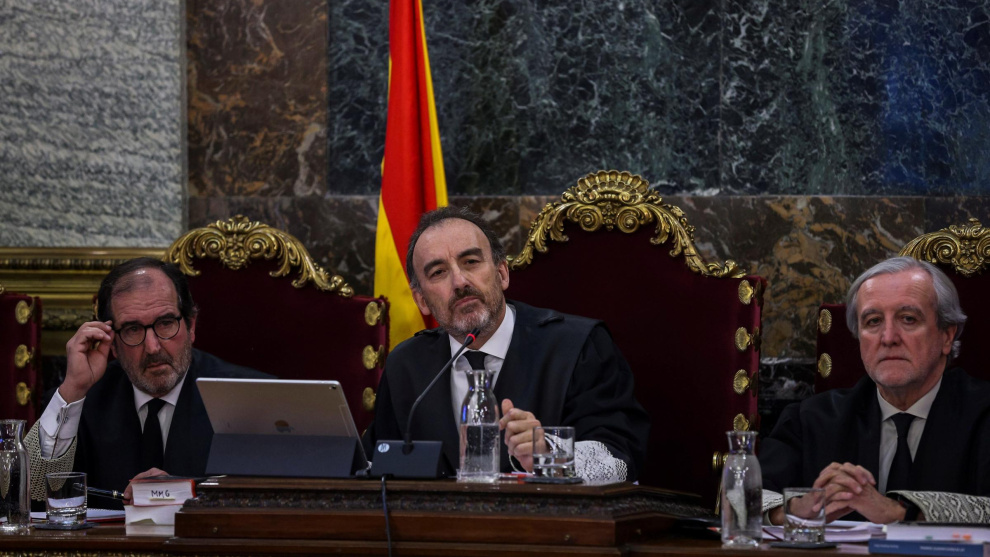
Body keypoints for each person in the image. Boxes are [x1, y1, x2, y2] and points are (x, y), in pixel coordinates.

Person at [363, 207, 649, 483]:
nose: (460, 281)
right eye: (438, 272)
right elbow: (377, 465)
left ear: (502, 274)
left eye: (471, 262)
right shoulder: (406, 366)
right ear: (421, 300)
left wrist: (548, 453)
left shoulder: (578, 346)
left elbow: (620, 458)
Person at [24, 257, 269, 508]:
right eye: (133, 329)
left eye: (166, 323)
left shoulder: (251, 397)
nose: (152, 347)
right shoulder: (85, 399)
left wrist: (185, 492)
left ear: (191, 326)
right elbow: (32, 495)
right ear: (113, 344)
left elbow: (272, 497)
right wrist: (74, 389)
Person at [761, 256, 990, 523]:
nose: (888, 337)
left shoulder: (984, 414)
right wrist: (795, 510)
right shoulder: (811, 419)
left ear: (946, 336)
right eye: (873, 321)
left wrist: (900, 513)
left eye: (908, 319)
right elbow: (741, 500)